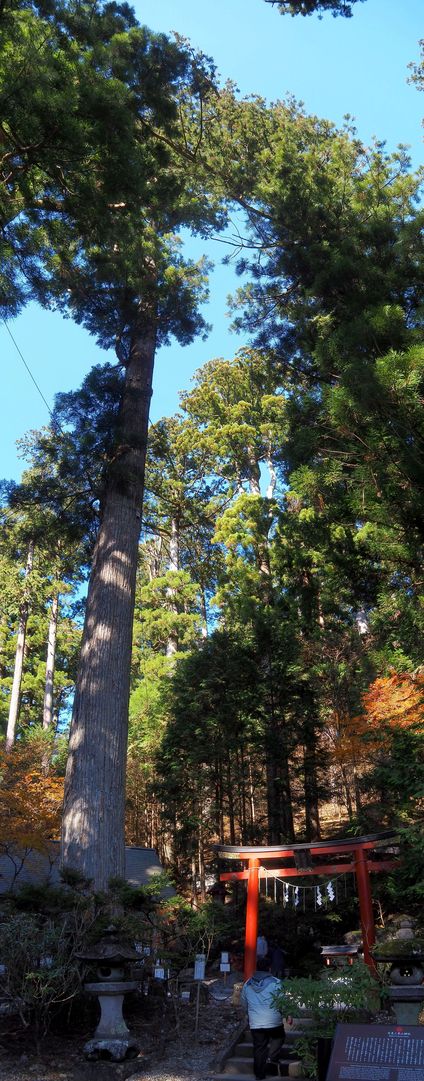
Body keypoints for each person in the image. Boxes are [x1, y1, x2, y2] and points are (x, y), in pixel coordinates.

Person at [240, 956, 286, 1080]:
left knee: (259, 1048)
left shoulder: (247, 984)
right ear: (269, 969)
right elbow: (282, 1002)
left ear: (257, 968)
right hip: (273, 1021)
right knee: (279, 1037)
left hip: (256, 1023)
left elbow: (243, 1003)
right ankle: (272, 1056)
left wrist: (248, 1015)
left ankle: (260, 1075)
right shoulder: (276, 982)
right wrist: (286, 1014)